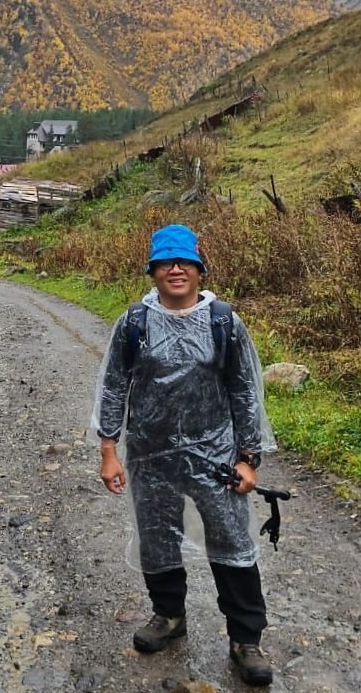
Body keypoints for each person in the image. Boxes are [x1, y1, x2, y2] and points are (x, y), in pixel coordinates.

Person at [92, 223, 275, 687]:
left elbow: (245, 392)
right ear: (153, 271)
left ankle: (245, 639)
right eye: (165, 262)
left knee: (233, 542)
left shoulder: (223, 321)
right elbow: (114, 386)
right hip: (150, 455)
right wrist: (109, 450)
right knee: (157, 538)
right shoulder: (134, 323)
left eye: (184, 262)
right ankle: (169, 616)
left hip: (215, 456)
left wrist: (248, 458)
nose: (176, 269)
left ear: (198, 269)